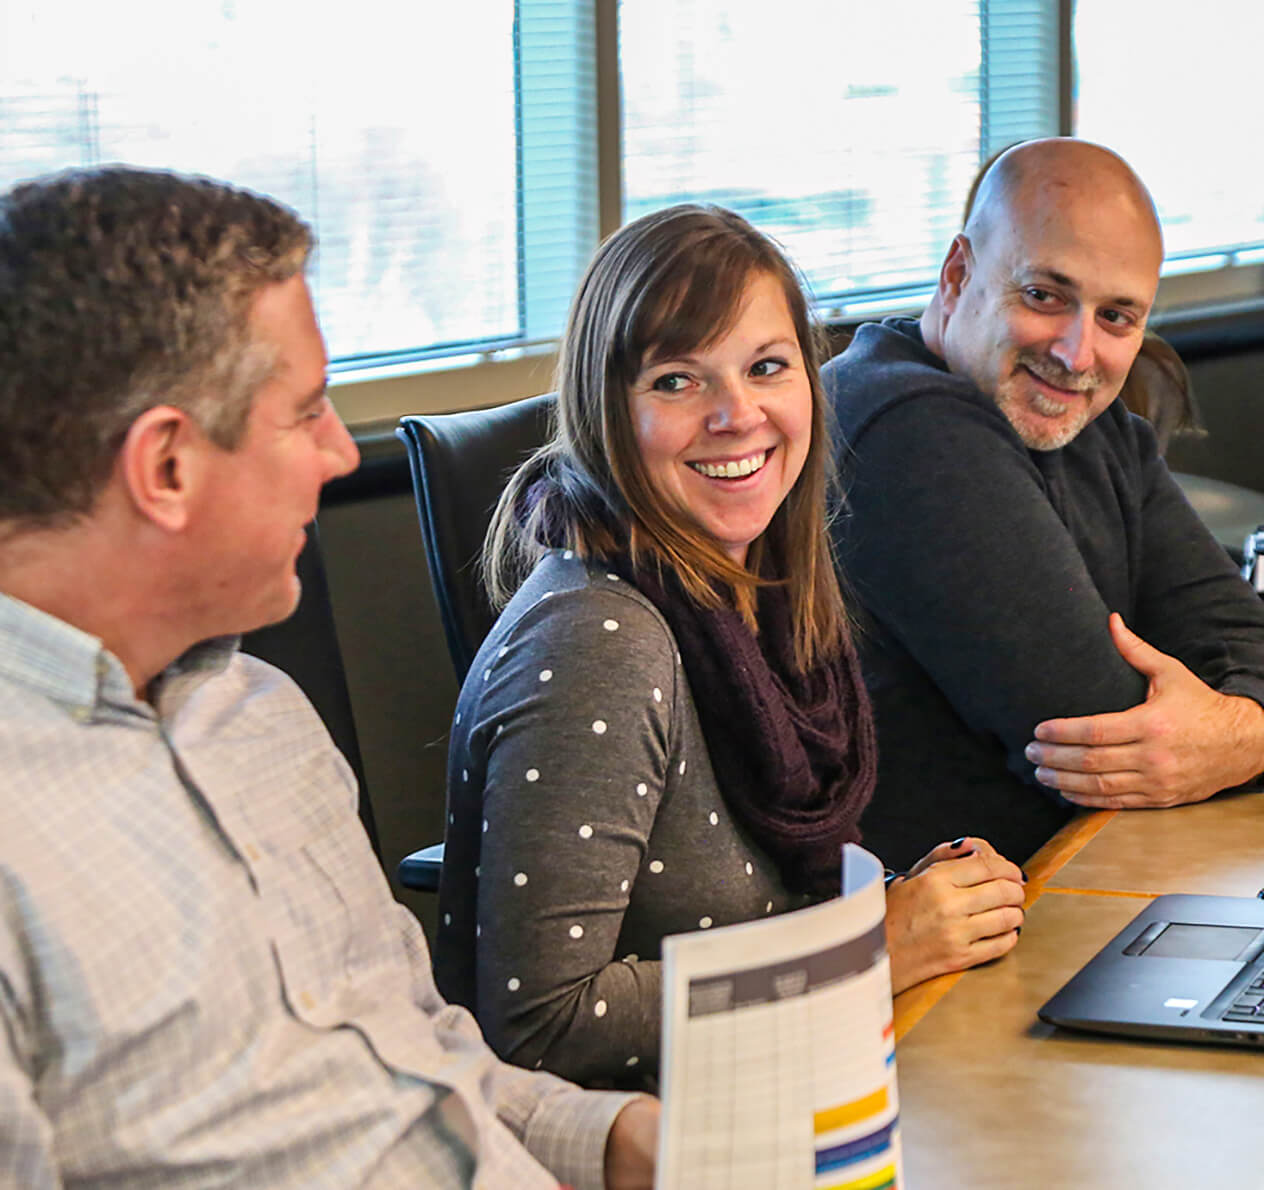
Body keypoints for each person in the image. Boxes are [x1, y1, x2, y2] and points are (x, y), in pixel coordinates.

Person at [0, 166, 657, 1189]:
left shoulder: (255, 713)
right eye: (304, 411)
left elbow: (422, 1060)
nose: (336, 457)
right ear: (166, 466)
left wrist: (618, 1140)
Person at [434, 204, 1026, 1089]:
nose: (736, 414)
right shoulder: (600, 640)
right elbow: (539, 1025)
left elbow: (757, 906)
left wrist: (908, 899)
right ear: (608, 409)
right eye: (677, 381)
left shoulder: (760, 600)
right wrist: (868, 952)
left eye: (767, 367)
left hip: (778, 1087)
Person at [823, 138, 1264, 872]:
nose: (1077, 351)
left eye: (1118, 317)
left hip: (1089, 886)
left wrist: (1237, 735)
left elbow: (1240, 635)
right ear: (959, 274)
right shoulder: (900, 422)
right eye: (1044, 296)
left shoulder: (1096, 428)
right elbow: (1099, 744)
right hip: (943, 942)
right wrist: (1229, 732)